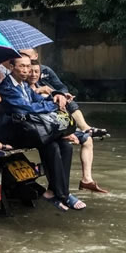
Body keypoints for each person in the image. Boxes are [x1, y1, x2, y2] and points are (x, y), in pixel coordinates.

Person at [0, 53, 86, 211]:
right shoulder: (7, 87)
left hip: (27, 129)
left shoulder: (24, 85)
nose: (26, 70)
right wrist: (54, 106)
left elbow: (38, 101)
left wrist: (56, 97)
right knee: (50, 145)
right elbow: (28, 108)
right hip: (12, 132)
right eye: (22, 66)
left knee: (66, 146)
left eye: (28, 66)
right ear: (11, 67)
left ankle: (54, 191)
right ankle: (63, 195)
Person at [27, 60, 108, 193]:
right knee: (60, 147)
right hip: (44, 128)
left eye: (36, 71)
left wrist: (58, 94)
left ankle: (86, 180)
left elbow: (60, 94)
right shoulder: (24, 87)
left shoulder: (43, 83)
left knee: (88, 139)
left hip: (56, 125)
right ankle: (55, 189)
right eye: (30, 71)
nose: (33, 74)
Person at [21, 48, 108, 138]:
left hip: (52, 98)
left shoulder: (46, 70)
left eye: (29, 57)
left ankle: (84, 128)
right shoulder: (22, 74)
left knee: (65, 100)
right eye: (23, 56)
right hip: (39, 107)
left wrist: (61, 94)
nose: (33, 74)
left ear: (36, 56)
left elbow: (61, 87)